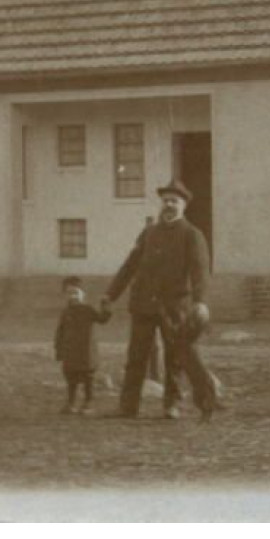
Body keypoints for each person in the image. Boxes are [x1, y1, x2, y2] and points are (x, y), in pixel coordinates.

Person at [103, 180, 219, 421]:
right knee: (136, 356)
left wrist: (201, 301)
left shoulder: (192, 235)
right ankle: (128, 406)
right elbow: (130, 266)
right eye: (165, 200)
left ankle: (172, 405)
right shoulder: (149, 233)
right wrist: (111, 293)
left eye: (174, 201)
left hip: (175, 306)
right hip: (143, 304)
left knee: (174, 357)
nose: (169, 205)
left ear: (183, 206)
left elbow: (201, 272)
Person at [53, 276, 112, 414]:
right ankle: (71, 402)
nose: (73, 296)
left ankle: (88, 402)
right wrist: (59, 349)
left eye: (76, 292)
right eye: (69, 293)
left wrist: (106, 305)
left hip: (87, 352)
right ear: (65, 296)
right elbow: (60, 332)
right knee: (71, 377)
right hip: (71, 353)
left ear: (82, 294)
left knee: (88, 378)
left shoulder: (88, 310)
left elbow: (103, 319)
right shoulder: (66, 312)